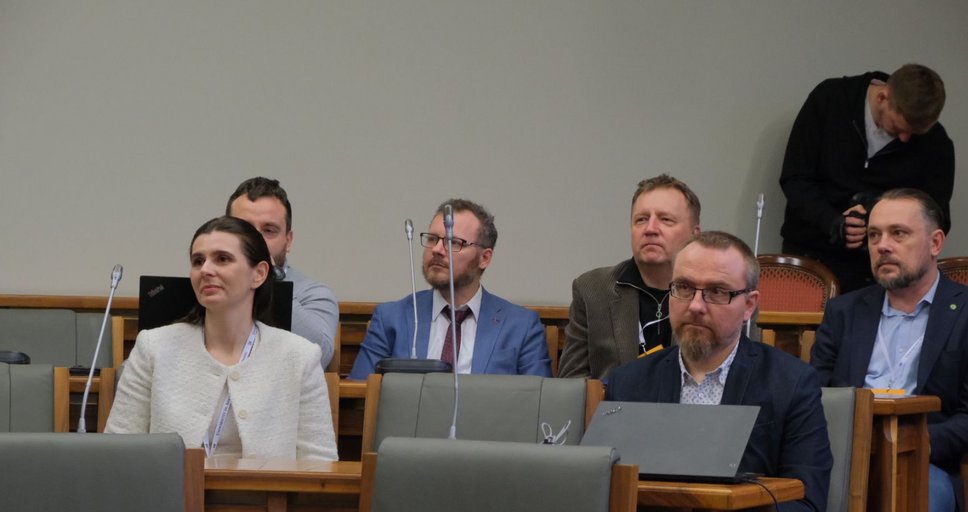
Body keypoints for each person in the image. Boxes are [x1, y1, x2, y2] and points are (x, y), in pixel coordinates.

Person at [605, 231, 832, 512]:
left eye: (717, 293)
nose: (695, 305)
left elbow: (807, 510)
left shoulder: (790, 383)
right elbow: (603, 491)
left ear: (749, 305)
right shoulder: (628, 382)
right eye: (684, 288)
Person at [811, 188, 968, 512]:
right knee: (790, 509)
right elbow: (815, 394)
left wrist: (912, 445)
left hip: (925, 463)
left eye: (899, 233)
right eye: (873, 235)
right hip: (844, 458)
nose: (882, 245)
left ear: (935, 242)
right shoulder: (845, 312)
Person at [106, 216, 337, 460]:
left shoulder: (299, 356)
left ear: (259, 274)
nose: (205, 269)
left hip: (267, 497)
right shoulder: (153, 347)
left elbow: (320, 463)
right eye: (198, 261)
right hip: (170, 496)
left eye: (222, 259)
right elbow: (118, 452)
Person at [779, 64, 954, 294]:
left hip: (880, 273)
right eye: (898, 128)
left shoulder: (935, 143)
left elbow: (936, 216)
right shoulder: (831, 99)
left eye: (914, 133)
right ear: (883, 96)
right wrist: (831, 221)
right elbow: (795, 178)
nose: (904, 138)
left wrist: (881, 222)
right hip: (809, 258)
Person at [349, 198, 551, 379]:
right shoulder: (392, 318)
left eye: (453, 242)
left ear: (484, 258)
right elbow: (361, 394)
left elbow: (540, 404)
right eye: (432, 239)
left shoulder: (521, 326)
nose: (436, 250)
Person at [559, 174, 701, 379]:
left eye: (666, 219)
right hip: (612, 408)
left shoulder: (717, 295)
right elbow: (572, 382)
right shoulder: (593, 289)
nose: (650, 229)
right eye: (641, 220)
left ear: (694, 234)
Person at [226, 177, 339, 369]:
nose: (255, 240)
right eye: (244, 228)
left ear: (288, 241)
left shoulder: (313, 293)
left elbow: (320, 358)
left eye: (269, 230)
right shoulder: (206, 284)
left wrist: (271, 280)